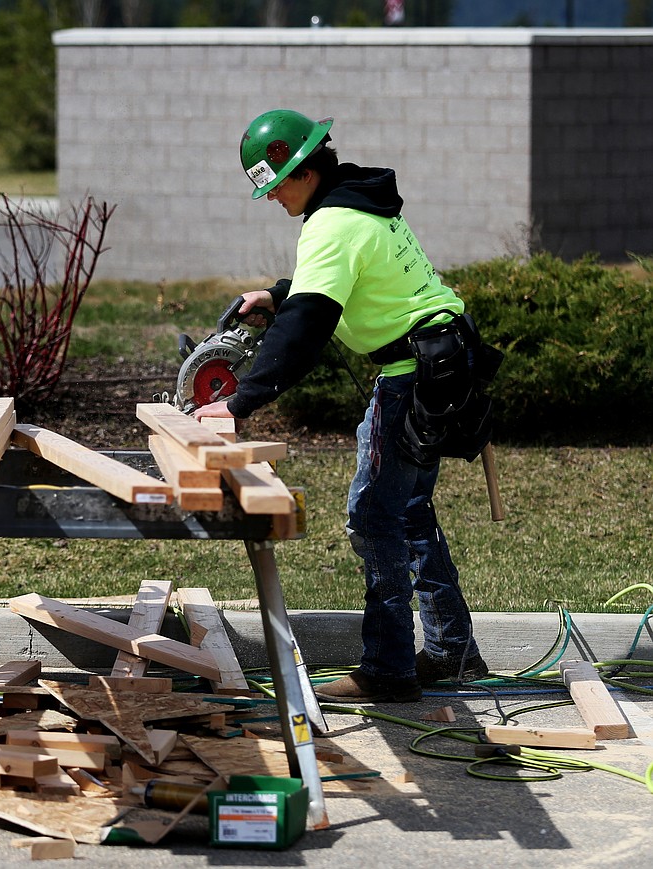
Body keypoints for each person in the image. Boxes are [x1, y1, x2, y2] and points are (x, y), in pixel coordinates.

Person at [195, 109, 489, 703]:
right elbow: (344, 277)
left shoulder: (332, 224)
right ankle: (452, 650)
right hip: (441, 360)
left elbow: (307, 326)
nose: (274, 197)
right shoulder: (360, 202)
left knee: (374, 517)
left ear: (302, 170)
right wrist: (277, 293)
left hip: (412, 377)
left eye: (275, 184)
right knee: (406, 510)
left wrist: (241, 402)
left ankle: (388, 670)